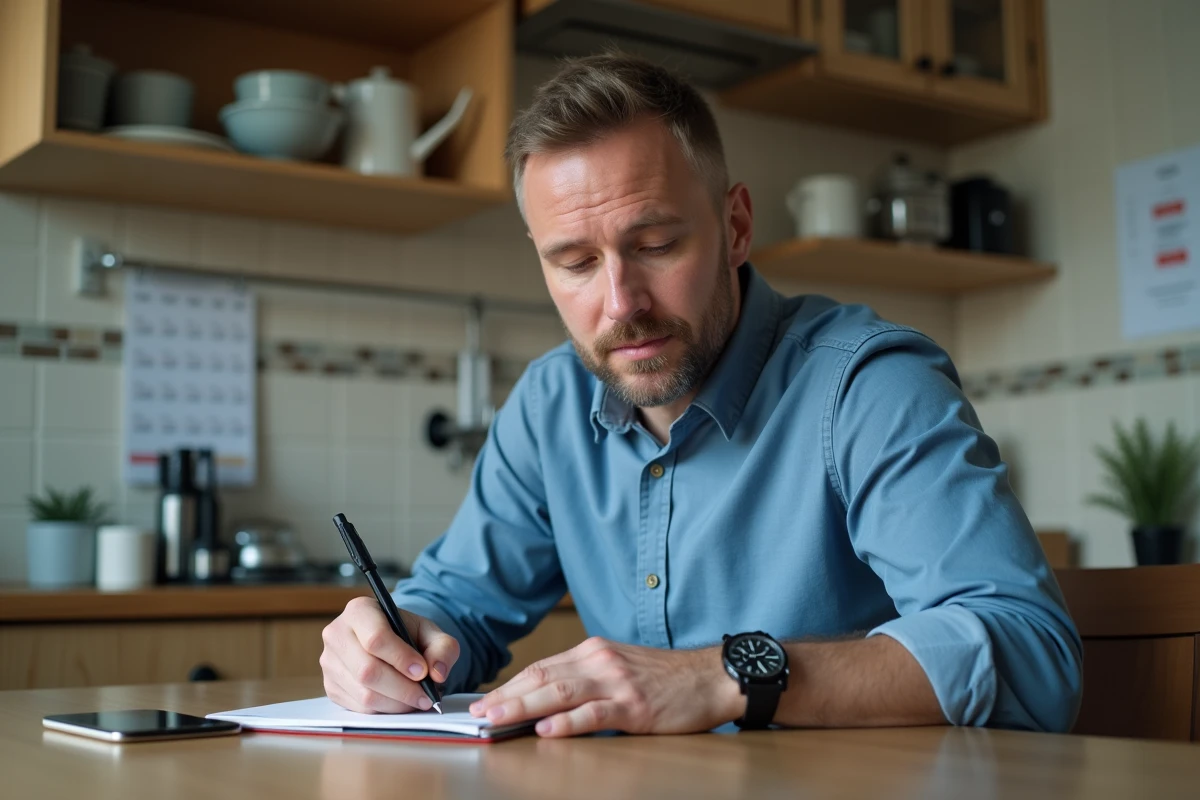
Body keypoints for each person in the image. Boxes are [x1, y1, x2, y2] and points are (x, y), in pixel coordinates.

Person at [320, 52, 1082, 738]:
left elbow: (1030, 653)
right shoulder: (551, 403)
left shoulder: (869, 387)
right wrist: (392, 643)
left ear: (737, 225)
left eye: (654, 246)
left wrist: (722, 675)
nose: (621, 303)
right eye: (576, 262)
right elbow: (457, 608)